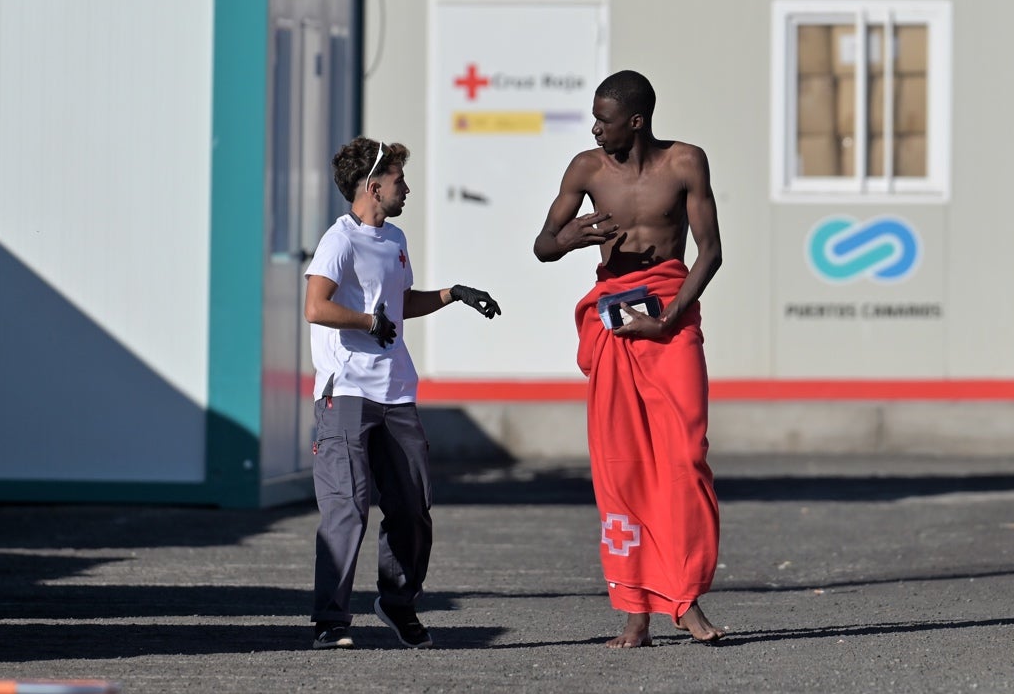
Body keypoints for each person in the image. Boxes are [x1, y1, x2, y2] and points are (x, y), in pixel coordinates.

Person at [533, 70, 724, 648]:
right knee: (622, 465)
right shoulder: (586, 169)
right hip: (614, 319)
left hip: (669, 318)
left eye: (605, 118)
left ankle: (684, 596)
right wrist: (569, 239)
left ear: (636, 121)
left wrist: (668, 318)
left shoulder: (686, 162)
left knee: (685, 454)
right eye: (594, 117)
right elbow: (542, 245)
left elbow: (710, 252)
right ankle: (636, 609)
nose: (595, 128)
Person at [305, 137, 501, 650]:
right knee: (347, 508)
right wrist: (368, 321)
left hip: (395, 393)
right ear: (372, 186)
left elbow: (397, 302)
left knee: (412, 508)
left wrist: (452, 294)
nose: (406, 188)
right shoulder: (339, 240)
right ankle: (331, 619)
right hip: (344, 392)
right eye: (398, 180)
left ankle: (397, 603)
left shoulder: (394, 238)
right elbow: (316, 306)